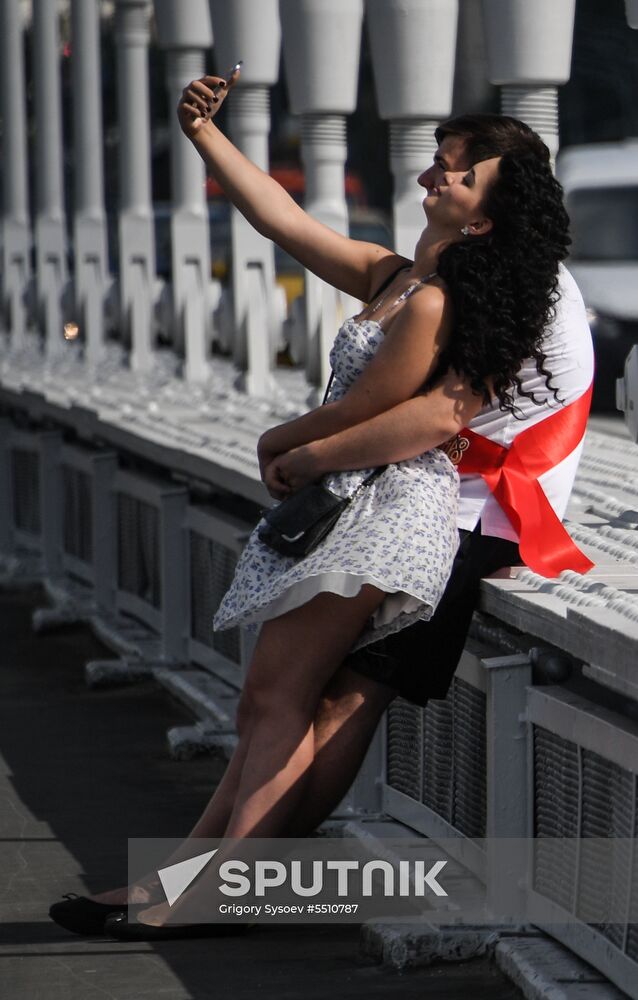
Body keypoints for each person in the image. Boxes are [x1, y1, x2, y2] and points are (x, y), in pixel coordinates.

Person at [49, 73, 592, 940]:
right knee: (284, 700)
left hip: (450, 515)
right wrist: (204, 135)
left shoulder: (483, 294)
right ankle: (193, 887)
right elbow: (287, 222)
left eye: (452, 170)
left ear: (487, 214)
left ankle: (213, 894)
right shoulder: (417, 276)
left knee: (302, 699)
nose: (430, 177)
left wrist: (295, 449)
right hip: (408, 504)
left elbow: (427, 415)